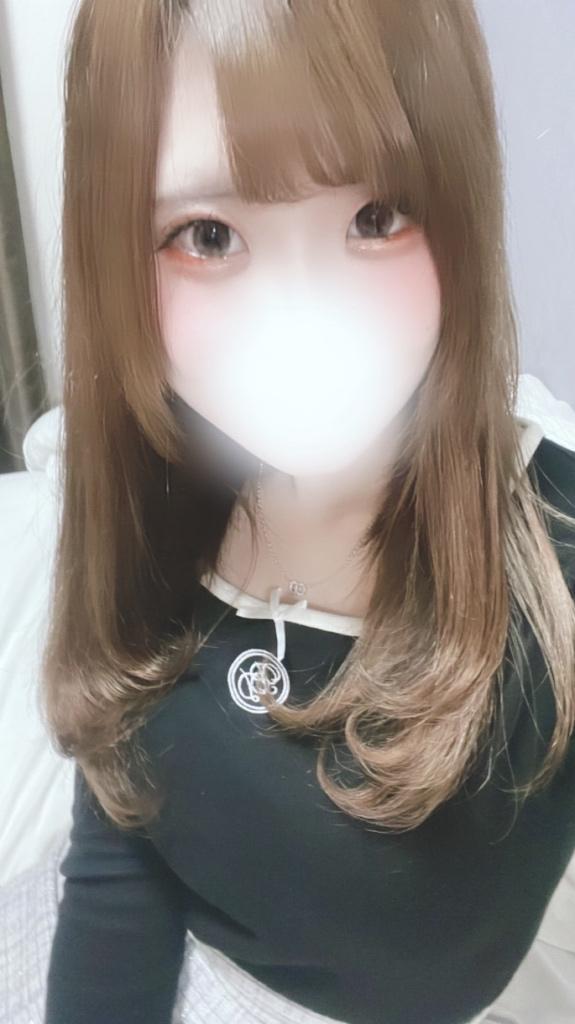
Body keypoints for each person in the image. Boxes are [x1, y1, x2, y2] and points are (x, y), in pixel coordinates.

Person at [7, 2, 575, 1023]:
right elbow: (119, 848)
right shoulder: (145, 513)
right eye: (208, 235)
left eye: (377, 215)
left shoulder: (554, 539)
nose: (304, 316)